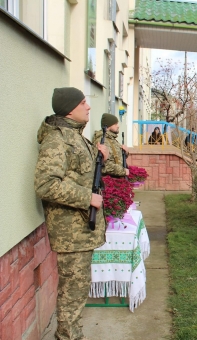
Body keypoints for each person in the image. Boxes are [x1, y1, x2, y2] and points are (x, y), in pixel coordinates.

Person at [34, 87, 109, 340]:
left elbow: (83, 174)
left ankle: (72, 334)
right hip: (71, 232)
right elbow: (46, 184)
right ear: (69, 109)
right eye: (83, 103)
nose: (88, 107)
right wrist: (87, 198)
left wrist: (102, 158)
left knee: (77, 291)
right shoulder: (57, 139)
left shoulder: (75, 136)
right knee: (72, 293)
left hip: (79, 230)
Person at [93, 113, 129, 177]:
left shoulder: (112, 139)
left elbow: (117, 158)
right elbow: (105, 166)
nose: (118, 126)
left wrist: (126, 152)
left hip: (117, 180)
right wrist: (123, 171)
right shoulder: (103, 141)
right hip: (109, 181)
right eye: (115, 124)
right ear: (108, 127)